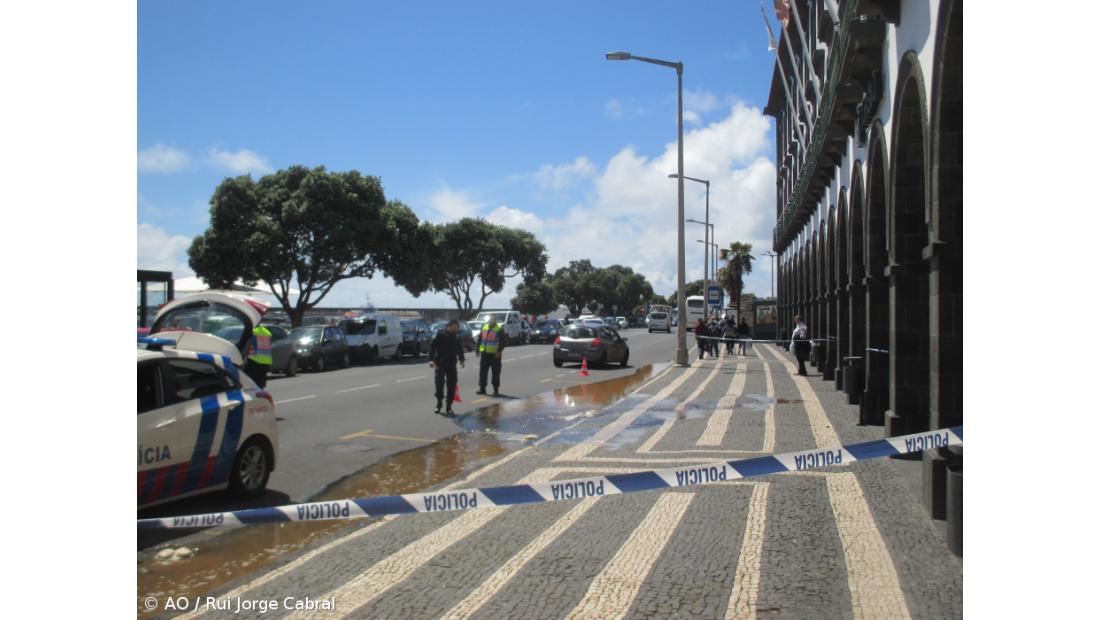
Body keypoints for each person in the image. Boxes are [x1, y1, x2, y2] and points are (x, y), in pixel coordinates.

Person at [429, 318, 466, 415]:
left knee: (452, 385)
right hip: (440, 363)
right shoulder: (441, 334)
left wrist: (462, 359)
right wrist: (431, 360)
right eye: (456, 326)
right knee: (439, 384)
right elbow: (433, 346)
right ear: (451, 325)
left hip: (452, 364)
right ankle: (439, 404)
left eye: (458, 326)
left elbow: (459, 348)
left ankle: (449, 407)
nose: (457, 328)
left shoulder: (457, 336)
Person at [477, 314, 507, 396]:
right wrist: (478, 349)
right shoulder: (484, 327)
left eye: (493, 319)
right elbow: (480, 339)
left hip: (495, 355)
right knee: (482, 372)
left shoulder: (499, 329)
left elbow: (503, 342)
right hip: (485, 354)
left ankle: (496, 390)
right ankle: (482, 389)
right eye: (490, 319)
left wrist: (499, 351)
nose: (491, 321)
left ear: (495, 320)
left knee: (495, 373)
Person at [245, 324, 272, 388]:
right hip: (266, 360)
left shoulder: (253, 332)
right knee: (261, 381)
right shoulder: (267, 332)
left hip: (254, 359)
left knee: (253, 381)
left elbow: (248, 345)